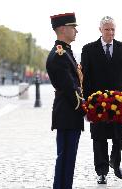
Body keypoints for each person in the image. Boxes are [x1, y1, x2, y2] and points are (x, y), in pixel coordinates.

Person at [81, 16, 122, 184]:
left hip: (119, 102)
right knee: (99, 137)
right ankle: (101, 171)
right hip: (97, 102)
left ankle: (115, 162)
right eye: (107, 29)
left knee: (120, 136)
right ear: (100, 30)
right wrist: (89, 101)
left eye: (113, 29)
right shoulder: (88, 49)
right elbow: (86, 78)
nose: (110, 32)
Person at [46, 12, 85, 189]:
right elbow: (71, 88)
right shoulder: (60, 54)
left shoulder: (66, 51)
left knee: (68, 158)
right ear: (62, 29)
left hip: (69, 113)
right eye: (73, 27)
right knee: (66, 158)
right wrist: (85, 107)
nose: (76, 31)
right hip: (68, 112)